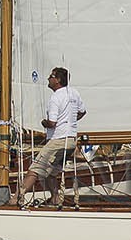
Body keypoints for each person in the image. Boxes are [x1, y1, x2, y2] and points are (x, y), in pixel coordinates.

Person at [19, 66, 86, 203]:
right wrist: (69, 121)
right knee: (50, 173)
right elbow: (82, 111)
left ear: (58, 80)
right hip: (71, 140)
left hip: (58, 140)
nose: (48, 78)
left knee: (35, 169)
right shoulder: (74, 93)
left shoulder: (55, 97)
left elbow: (52, 123)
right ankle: (55, 198)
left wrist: (43, 122)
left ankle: (16, 198)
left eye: (51, 76)